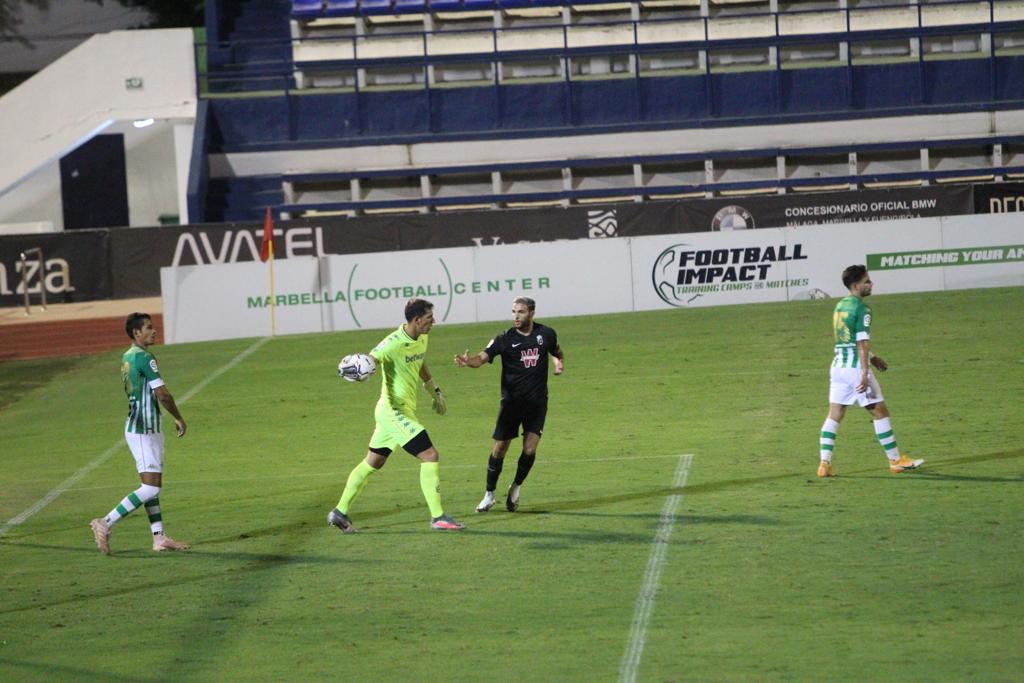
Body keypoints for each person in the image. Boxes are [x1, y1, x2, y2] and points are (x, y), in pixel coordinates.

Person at [327, 298, 464, 532]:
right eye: (430, 319)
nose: (434, 322)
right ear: (417, 320)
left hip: (400, 411)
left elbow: (419, 361)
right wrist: (359, 365)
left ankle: (339, 512)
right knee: (429, 455)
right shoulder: (392, 343)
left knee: (373, 461)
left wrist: (434, 390)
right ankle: (438, 517)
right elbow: (373, 358)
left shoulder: (422, 337)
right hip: (393, 412)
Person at [90, 313, 190, 554]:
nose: (154, 331)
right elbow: (162, 394)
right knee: (151, 488)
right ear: (136, 333)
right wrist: (178, 416)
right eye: (148, 328)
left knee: (150, 485)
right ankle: (105, 521)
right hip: (144, 429)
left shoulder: (127, 356)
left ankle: (159, 538)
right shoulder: (145, 357)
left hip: (141, 425)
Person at [454, 296, 564, 513]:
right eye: (514, 311)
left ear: (531, 313)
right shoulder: (504, 338)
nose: (516, 316)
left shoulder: (546, 334)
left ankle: (516, 487)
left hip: (537, 402)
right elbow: (482, 358)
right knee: (499, 448)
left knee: (530, 448)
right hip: (511, 404)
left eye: (521, 312)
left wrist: (558, 362)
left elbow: (556, 351)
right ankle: (489, 494)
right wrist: (469, 362)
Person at [818, 266, 923, 477]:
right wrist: (865, 372)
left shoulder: (839, 306)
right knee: (880, 412)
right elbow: (861, 341)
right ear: (856, 285)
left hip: (838, 366)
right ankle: (895, 461)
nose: (871, 284)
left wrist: (874, 358)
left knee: (835, 414)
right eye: (867, 281)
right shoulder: (863, 310)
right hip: (856, 368)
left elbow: (846, 340)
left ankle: (824, 464)